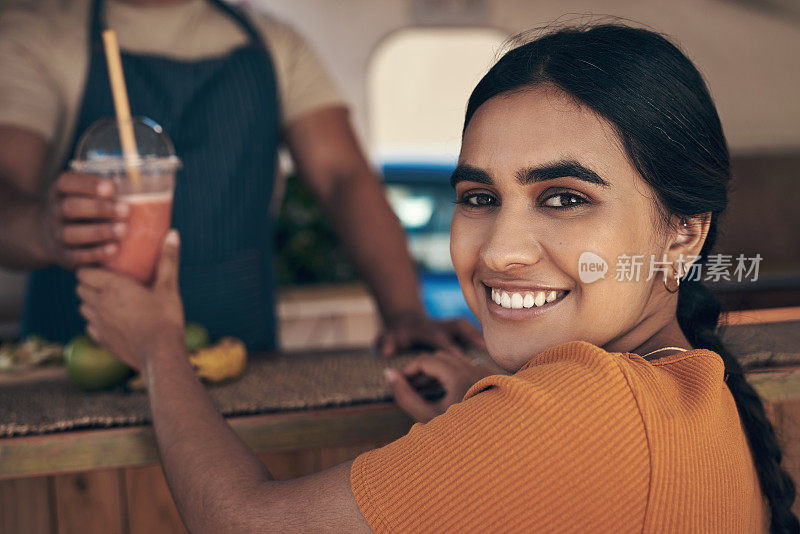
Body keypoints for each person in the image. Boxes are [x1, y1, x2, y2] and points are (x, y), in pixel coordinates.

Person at [74, 24, 799, 532]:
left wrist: (159, 347)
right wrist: (483, 410)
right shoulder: (694, 387)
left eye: (566, 198)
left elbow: (240, 524)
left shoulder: (578, 411)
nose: (501, 252)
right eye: (480, 198)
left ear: (685, 233)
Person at [0, 0, 482, 354]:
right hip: (75, 362)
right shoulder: (38, 35)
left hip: (240, 360)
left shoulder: (276, 44)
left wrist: (404, 313)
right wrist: (45, 228)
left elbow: (343, 179)